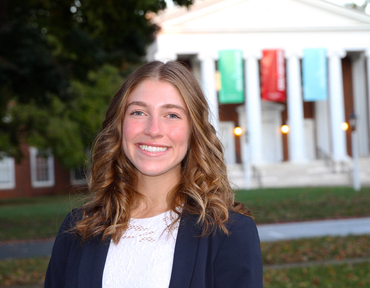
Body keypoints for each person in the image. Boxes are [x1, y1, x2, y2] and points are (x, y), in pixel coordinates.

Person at [44, 61, 263, 288]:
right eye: (138, 112)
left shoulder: (230, 234)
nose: (153, 130)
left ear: (193, 131)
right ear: (118, 125)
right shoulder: (79, 228)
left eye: (172, 115)